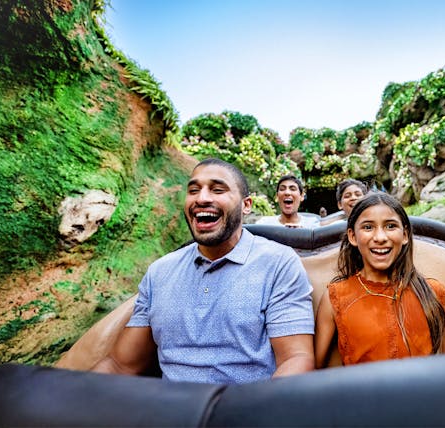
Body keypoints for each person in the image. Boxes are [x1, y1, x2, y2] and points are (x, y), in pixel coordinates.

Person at [92, 158, 315, 384]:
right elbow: (120, 364)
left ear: (246, 205)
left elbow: (296, 359)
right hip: (168, 412)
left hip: (246, 410)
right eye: (193, 190)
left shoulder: (279, 263)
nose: (202, 198)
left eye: (217, 190)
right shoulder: (159, 272)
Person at [314, 192, 445, 367]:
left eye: (390, 226)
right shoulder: (336, 297)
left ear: (405, 235)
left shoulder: (433, 292)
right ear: (352, 237)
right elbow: (317, 371)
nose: (380, 238)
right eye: (368, 227)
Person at [256, 174, 320, 228]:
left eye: (292, 189)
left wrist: (303, 234)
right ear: (277, 196)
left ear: (302, 196)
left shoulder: (312, 225)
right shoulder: (264, 224)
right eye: (282, 189)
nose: (287, 192)